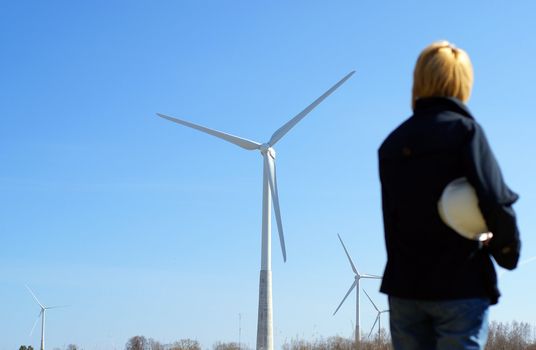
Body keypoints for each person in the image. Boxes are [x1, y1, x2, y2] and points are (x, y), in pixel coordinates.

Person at [378, 41, 521, 349]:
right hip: (460, 282)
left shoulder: (391, 145)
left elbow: (393, 219)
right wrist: (507, 251)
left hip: (404, 288)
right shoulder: (465, 132)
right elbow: (495, 200)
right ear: (461, 80)